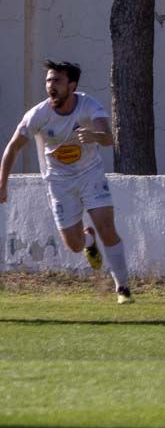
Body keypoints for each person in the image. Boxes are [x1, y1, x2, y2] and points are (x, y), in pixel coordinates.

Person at [0, 61, 134, 303]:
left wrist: (94, 135)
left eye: (57, 81)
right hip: (59, 182)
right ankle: (88, 240)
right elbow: (13, 148)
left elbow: (108, 139)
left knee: (107, 226)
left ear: (71, 85)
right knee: (73, 245)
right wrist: (2, 184)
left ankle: (122, 288)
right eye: (48, 81)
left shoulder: (88, 105)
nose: (51, 85)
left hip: (90, 175)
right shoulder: (38, 115)